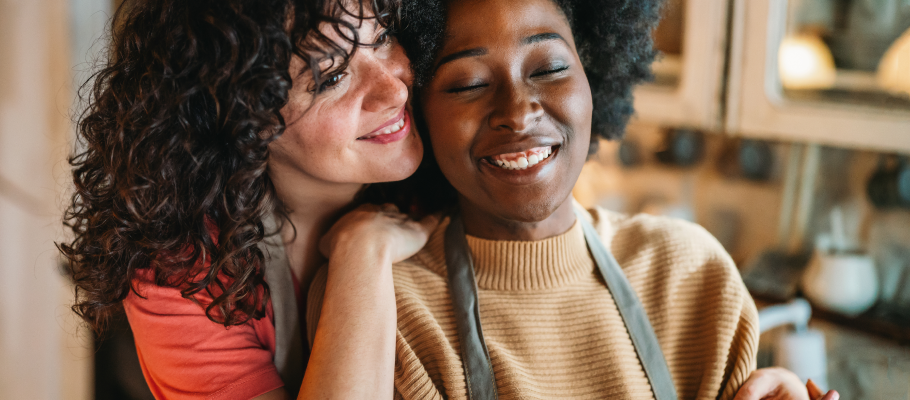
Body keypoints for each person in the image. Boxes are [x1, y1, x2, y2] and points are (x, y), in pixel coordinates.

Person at [307, 0, 841, 399]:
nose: (517, 110)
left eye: (548, 69)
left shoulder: (692, 274)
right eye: (467, 83)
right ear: (418, 114)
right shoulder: (383, 307)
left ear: (593, 75)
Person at [61, 0, 435, 398]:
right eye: (332, 78)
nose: (394, 89)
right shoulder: (186, 275)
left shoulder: (464, 152)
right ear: (245, 118)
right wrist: (361, 251)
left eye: (382, 37)